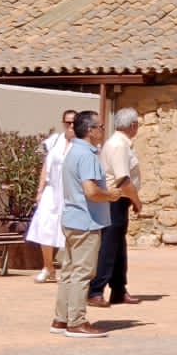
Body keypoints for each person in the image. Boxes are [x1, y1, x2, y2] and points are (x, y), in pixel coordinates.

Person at [51, 110, 134, 337]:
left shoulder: (72, 151)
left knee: (68, 271)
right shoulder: (87, 154)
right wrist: (111, 194)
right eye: (99, 127)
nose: (102, 131)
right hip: (86, 221)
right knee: (82, 272)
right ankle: (76, 321)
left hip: (71, 219)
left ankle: (61, 318)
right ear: (90, 130)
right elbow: (91, 191)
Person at [88, 107, 142, 307]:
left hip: (118, 200)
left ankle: (119, 289)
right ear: (133, 125)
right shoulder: (119, 145)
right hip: (114, 200)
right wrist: (137, 201)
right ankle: (96, 290)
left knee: (118, 246)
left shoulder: (119, 143)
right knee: (109, 246)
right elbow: (123, 179)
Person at [26, 109, 77, 282]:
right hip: (52, 190)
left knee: (69, 230)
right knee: (45, 225)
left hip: (70, 192)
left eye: (74, 122)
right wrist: (40, 190)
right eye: (67, 122)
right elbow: (46, 166)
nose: (70, 126)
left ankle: (69, 268)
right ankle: (48, 267)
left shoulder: (82, 143)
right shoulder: (54, 141)